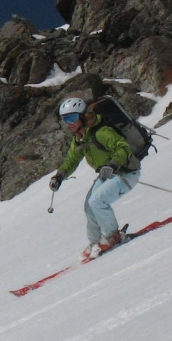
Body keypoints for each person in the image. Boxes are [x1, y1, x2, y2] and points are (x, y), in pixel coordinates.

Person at [49, 97, 141, 259]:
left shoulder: (102, 131)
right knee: (89, 206)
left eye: (71, 118)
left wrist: (113, 164)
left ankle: (113, 236)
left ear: (83, 116)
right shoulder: (80, 137)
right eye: (65, 119)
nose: (69, 123)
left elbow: (123, 148)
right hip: (108, 175)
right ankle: (95, 242)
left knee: (97, 201)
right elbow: (72, 160)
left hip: (125, 172)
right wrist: (60, 176)